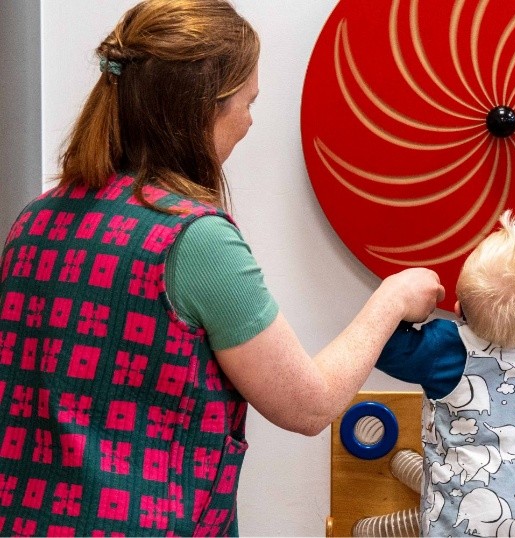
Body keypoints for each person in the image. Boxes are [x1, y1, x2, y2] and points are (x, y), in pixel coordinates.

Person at [0, 1, 444, 536]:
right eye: (247, 101)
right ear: (203, 107)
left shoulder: (33, 222)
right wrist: (392, 297)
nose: (250, 121)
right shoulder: (195, 241)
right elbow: (307, 405)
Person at [376, 210, 515, 537]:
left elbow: (379, 345)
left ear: (458, 309)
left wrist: (402, 301)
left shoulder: (449, 349)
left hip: (461, 529)